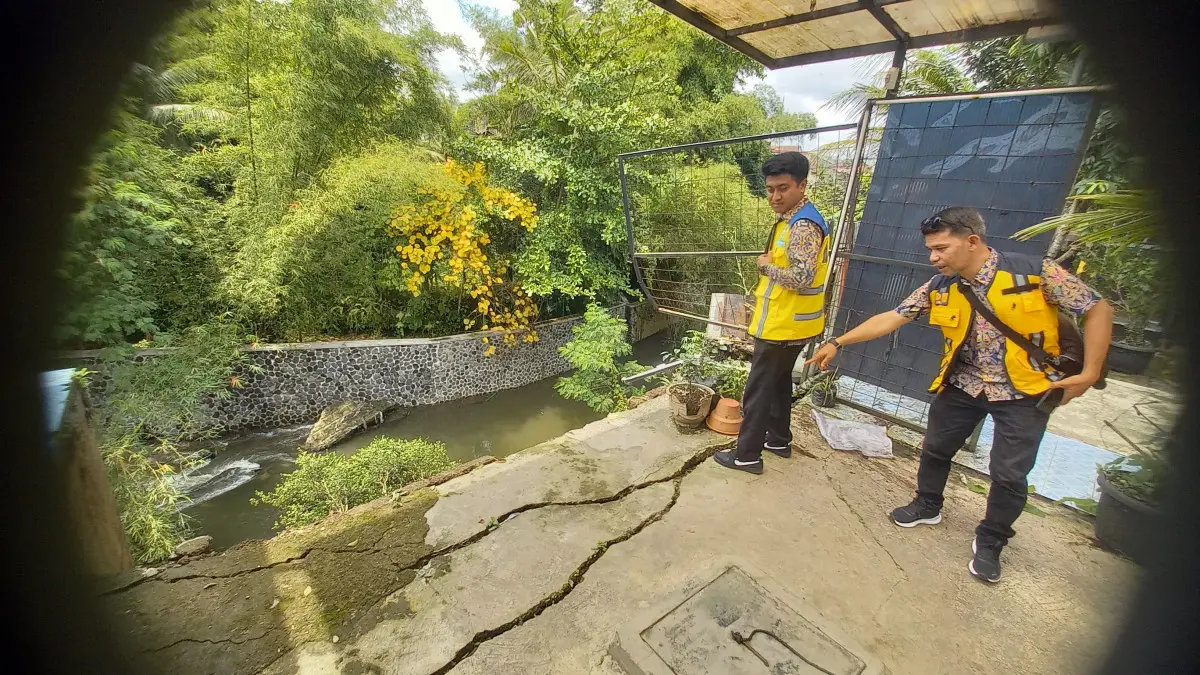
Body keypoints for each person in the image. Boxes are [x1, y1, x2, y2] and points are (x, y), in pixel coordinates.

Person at [807, 207, 1113, 583]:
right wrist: (838, 341)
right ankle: (928, 504)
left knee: (1009, 473)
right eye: (930, 250)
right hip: (964, 384)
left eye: (941, 248)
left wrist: (1090, 372)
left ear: (972, 241)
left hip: (1026, 391)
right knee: (935, 448)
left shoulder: (1035, 273)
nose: (933, 257)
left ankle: (992, 539)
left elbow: (1097, 308)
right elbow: (893, 316)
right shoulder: (941, 286)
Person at [713, 152, 830, 475]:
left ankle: (747, 455)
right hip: (793, 323)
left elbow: (801, 277)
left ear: (802, 186)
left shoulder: (803, 225)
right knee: (778, 384)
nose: (774, 197)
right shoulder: (797, 217)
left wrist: (766, 268)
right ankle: (778, 439)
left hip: (783, 325)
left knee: (759, 390)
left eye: (783, 188)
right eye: (769, 190)